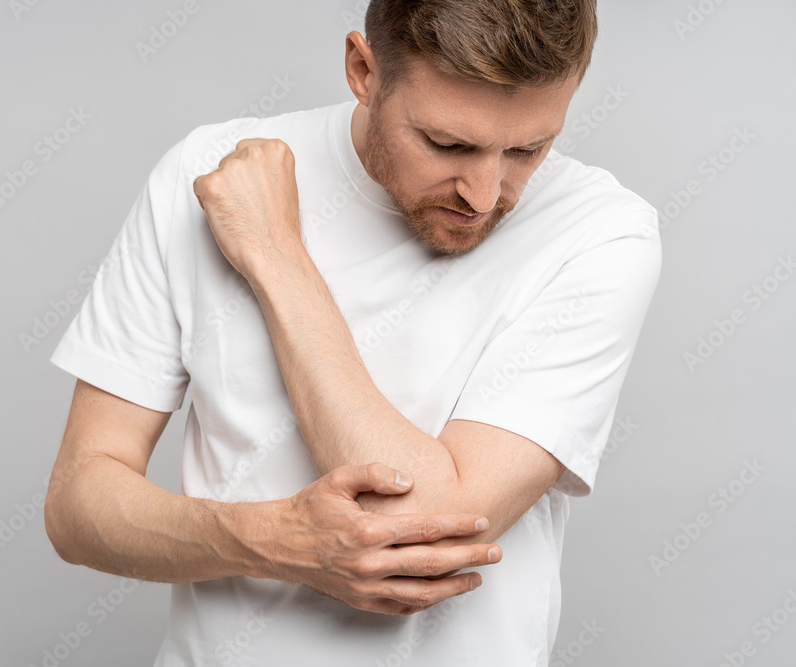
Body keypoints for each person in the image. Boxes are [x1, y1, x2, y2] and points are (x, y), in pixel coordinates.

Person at [44, 0, 661, 664]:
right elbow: (79, 503)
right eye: (447, 144)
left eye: (528, 148)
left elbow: (418, 533)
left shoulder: (600, 234)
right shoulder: (210, 173)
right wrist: (272, 539)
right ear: (363, 70)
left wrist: (276, 257)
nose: (483, 194)